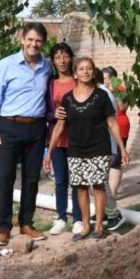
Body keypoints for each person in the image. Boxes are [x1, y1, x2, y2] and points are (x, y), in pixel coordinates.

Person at [45, 57, 129, 241]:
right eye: (81, 69)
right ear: (75, 74)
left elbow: (112, 122)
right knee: (80, 187)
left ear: (93, 72)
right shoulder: (67, 99)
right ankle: (85, 226)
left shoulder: (101, 96)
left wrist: (122, 148)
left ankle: (99, 226)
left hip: (99, 147)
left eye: (89, 68)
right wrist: (49, 152)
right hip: (76, 149)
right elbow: (59, 127)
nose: (85, 72)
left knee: (98, 186)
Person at [0, 22, 52, 246]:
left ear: (43, 43)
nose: (34, 44)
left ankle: (26, 223)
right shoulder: (5, 65)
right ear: (22, 40)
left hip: (37, 128)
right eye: (30, 39)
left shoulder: (47, 67)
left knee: (32, 178)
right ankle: (4, 227)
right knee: (5, 177)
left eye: (39, 41)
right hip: (9, 127)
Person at [45, 42, 82, 236]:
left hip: (77, 138)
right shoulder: (50, 84)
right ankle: (60, 218)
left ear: (71, 58)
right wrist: (54, 115)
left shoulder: (79, 81)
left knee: (77, 181)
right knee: (61, 181)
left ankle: (78, 218)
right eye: (58, 57)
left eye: (66, 56)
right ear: (53, 60)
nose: (62, 61)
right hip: (57, 139)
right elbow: (45, 111)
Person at [102, 66, 128, 196]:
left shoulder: (120, 90)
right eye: (103, 79)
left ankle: (112, 194)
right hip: (104, 128)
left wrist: (114, 92)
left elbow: (122, 107)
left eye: (107, 78)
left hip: (119, 126)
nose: (105, 81)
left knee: (116, 161)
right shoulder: (101, 90)